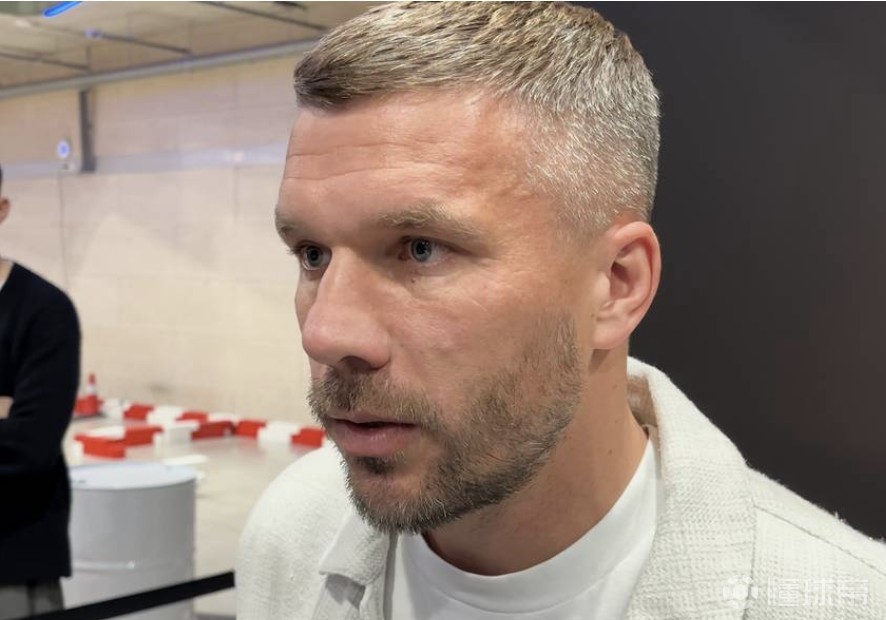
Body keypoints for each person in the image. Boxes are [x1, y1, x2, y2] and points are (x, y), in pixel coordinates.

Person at [237, 3, 886, 619]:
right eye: (313, 254)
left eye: (421, 249)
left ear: (617, 284)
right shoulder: (292, 526)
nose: (325, 333)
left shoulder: (844, 601)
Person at [0, 164, 81, 619]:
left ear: (2, 210)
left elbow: (29, 447)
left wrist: (14, 424)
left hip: (12, 561)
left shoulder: (44, 311)